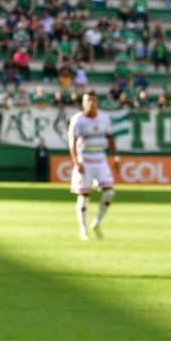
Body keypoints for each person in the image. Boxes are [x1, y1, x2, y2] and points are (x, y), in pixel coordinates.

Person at [68, 90, 119, 241]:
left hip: (100, 158)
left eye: (93, 100)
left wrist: (116, 157)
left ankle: (97, 222)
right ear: (83, 103)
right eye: (88, 100)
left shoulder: (104, 118)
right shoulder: (77, 120)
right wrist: (76, 162)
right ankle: (83, 230)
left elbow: (110, 138)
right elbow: (72, 142)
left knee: (109, 191)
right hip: (84, 158)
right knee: (83, 195)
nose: (91, 103)